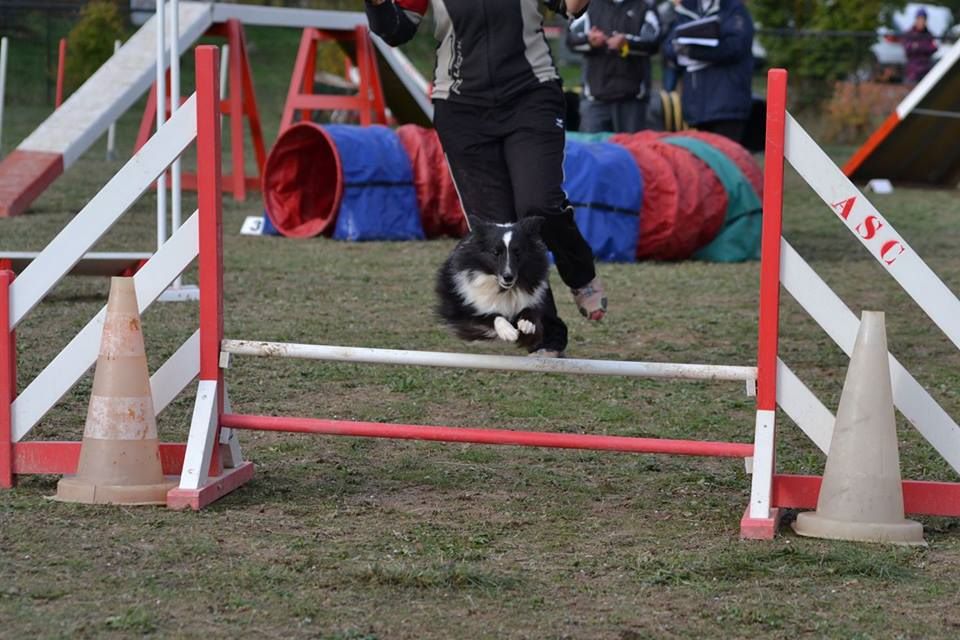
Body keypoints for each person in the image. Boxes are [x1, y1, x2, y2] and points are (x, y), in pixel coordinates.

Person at [364, 0, 607, 358]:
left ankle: (580, 272)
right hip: (462, 109)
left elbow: (573, 7)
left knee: (538, 204)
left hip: (530, 95)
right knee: (501, 232)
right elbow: (397, 30)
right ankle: (546, 335)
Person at [663, 0, 754, 143]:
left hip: (727, 106)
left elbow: (736, 47)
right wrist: (680, 50)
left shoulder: (734, 9)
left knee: (726, 159)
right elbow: (668, 47)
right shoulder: (685, 9)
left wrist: (693, 52)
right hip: (696, 108)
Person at [566, 0, 662, 133]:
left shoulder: (645, 5)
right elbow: (571, 39)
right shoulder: (588, 4)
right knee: (594, 150)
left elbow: (654, 41)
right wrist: (589, 40)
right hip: (596, 97)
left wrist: (626, 43)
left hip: (632, 98)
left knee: (631, 151)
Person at [903, 8, 938, 84]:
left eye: (923, 19)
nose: (921, 22)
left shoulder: (929, 34)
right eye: (919, 19)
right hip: (913, 72)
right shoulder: (910, 33)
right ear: (916, 20)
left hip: (926, 71)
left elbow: (934, 48)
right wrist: (924, 47)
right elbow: (907, 49)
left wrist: (918, 46)